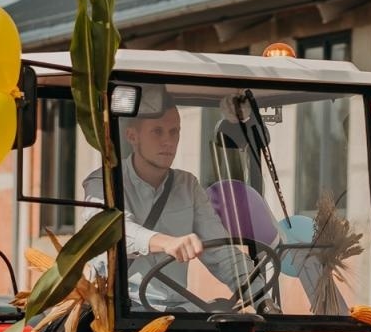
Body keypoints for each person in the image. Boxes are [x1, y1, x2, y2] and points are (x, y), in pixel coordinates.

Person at [81, 84, 255, 311]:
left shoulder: (188, 185)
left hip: (177, 313)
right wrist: (166, 242)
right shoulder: (103, 181)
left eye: (174, 131)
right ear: (132, 136)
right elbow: (111, 230)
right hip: (118, 312)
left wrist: (261, 294)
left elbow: (220, 253)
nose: (168, 141)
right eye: (158, 131)